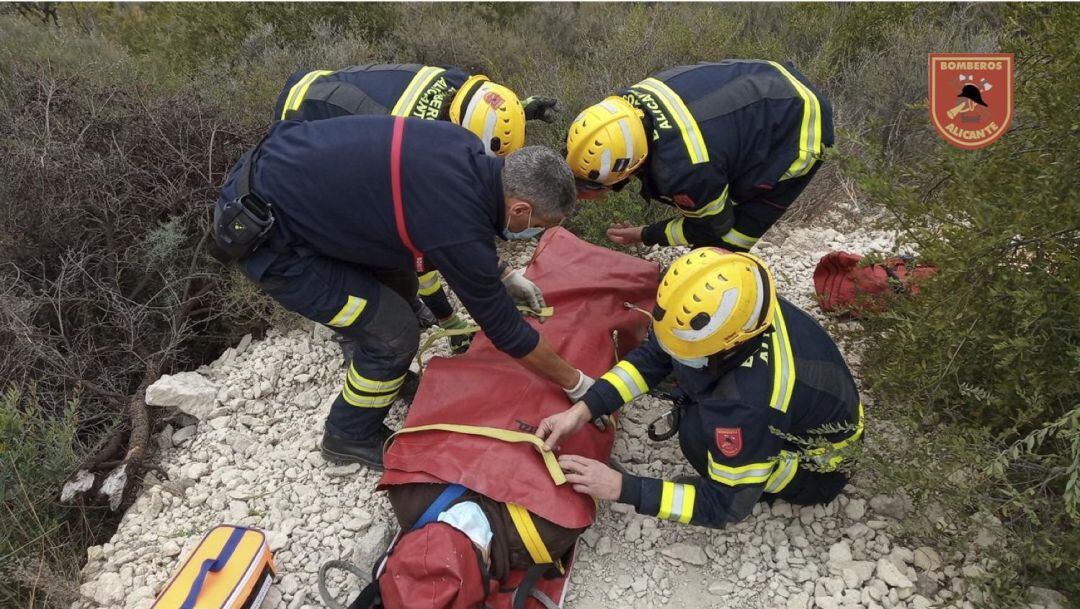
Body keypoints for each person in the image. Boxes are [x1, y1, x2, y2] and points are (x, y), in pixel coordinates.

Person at [212, 115, 592, 468]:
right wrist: (576, 383)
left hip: (286, 180)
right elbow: (505, 330)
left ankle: (379, 374)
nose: (534, 233)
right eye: (537, 225)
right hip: (272, 241)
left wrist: (503, 274)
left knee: (402, 282)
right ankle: (348, 432)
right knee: (394, 332)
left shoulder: (463, 146)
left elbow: (439, 225)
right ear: (520, 209)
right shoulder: (455, 222)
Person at [536, 248, 862, 527]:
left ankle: (767, 481)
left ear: (727, 347)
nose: (670, 352)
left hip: (816, 468)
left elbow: (725, 508)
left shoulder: (746, 406)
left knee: (696, 434)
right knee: (690, 385)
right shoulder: (743, 305)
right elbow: (656, 354)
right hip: (815, 409)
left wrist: (622, 487)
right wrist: (586, 408)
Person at [274, 63, 559, 352]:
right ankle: (356, 337)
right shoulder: (411, 151)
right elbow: (424, 244)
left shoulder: (460, 87)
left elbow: (489, 105)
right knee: (366, 236)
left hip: (325, 88)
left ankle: (408, 303)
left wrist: (522, 110)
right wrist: (449, 319)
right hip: (303, 120)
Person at [565, 60, 834, 253]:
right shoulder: (621, 106)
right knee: (715, 196)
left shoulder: (684, 170)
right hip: (771, 77)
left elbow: (711, 227)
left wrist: (645, 234)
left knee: (726, 242)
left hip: (800, 126)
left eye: (593, 187)